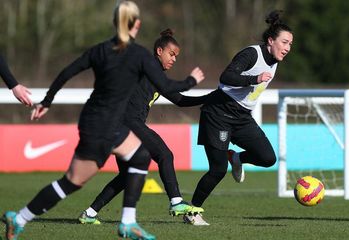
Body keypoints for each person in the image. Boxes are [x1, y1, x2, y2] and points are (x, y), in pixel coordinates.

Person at [2, 1, 204, 240]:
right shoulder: (139, 55)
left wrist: (47, 101)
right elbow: (170, 87)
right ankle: (23, 217)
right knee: (73, 181)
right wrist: (192, 80)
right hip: (107, 125)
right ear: (136, 24)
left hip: (96, 121)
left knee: (137, 158)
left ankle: (125, 222)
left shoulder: (100, 50)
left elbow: (66, 72)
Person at [78, 28, 208, 225]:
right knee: (165, 154)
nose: (174, 59)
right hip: (128, 122)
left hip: (119, 125)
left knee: (126, 176)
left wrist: (211, 98)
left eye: (176, 56)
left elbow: (179, 100)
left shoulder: (156, 76)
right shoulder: (147, 67)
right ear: (159, 51)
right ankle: (176, 201)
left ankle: (89, 213)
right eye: (171, 54)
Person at [184, 10, 293, 226]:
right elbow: (226, 77)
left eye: (290, 44)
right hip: (218, 113)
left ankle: (237, 158)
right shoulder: (251, 54)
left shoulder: (275, 59)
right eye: (285, 42)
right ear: (270, 40)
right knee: (217, 170)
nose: (288, 48)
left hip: (242, 117)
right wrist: (254, 78)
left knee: (267, 158)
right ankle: (192, 211)